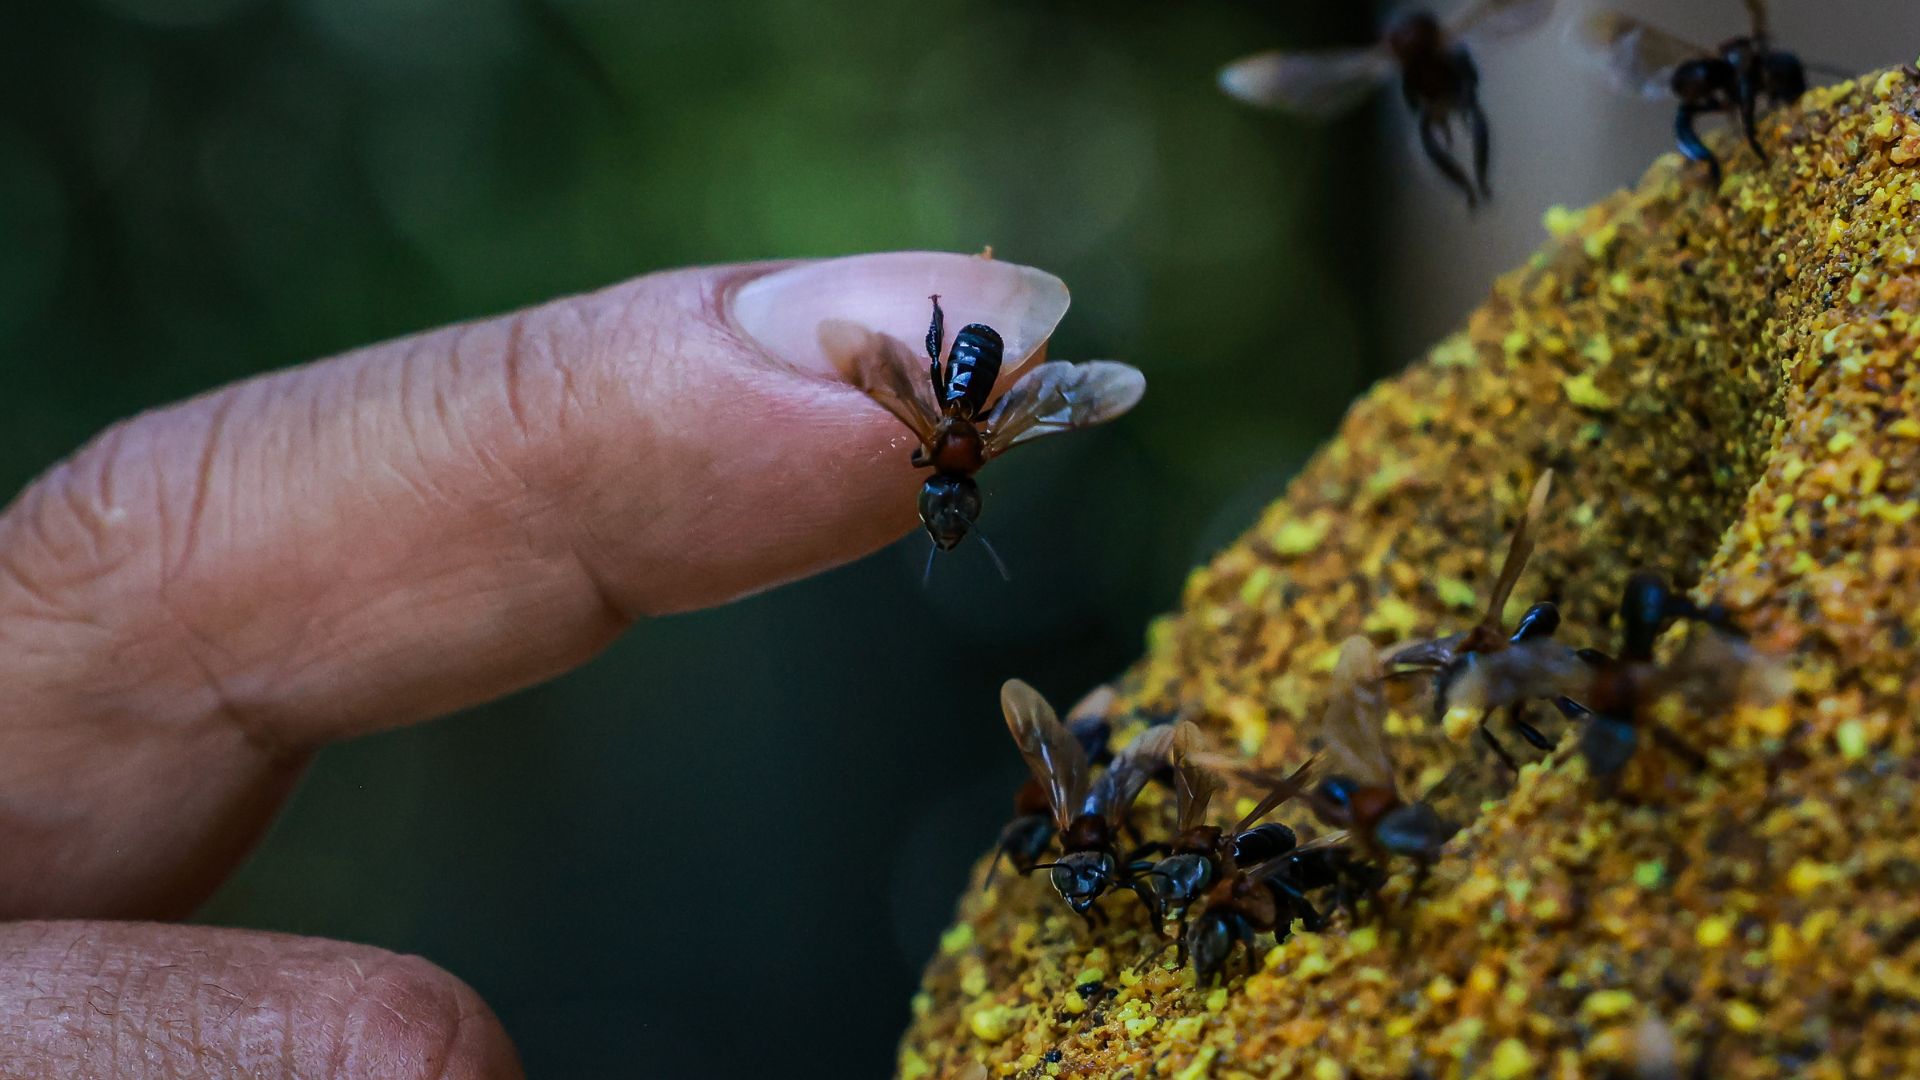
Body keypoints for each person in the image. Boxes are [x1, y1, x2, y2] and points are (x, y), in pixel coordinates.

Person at [0, 251, 1068, 1077]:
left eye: (946, 504)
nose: (940, 504)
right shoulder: (931, 429)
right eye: (947, 500)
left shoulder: (943, 433)